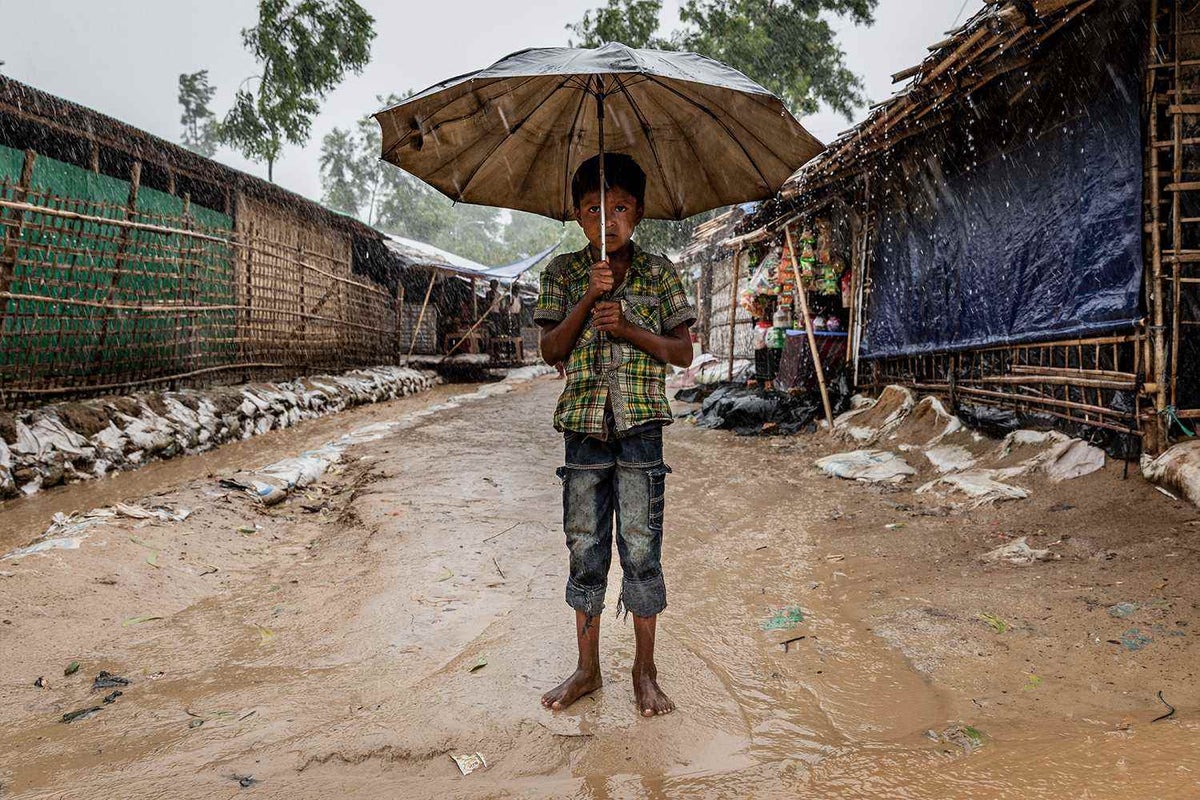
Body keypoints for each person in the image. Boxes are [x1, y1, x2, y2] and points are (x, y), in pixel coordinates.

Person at [534, 153, 695, 717]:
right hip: (583, 433)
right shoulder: (560, 274)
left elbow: (682, 352)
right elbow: (551, 349)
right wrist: (587, 299)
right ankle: (587, 669)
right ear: (577, 216)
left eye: (620, 207)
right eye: (594, 209)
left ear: (640, 212)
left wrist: (627, 327)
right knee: (585, 548)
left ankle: (644, 671)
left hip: (641, 431)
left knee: (642, 549)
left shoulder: (660, 273)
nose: (608, 220)